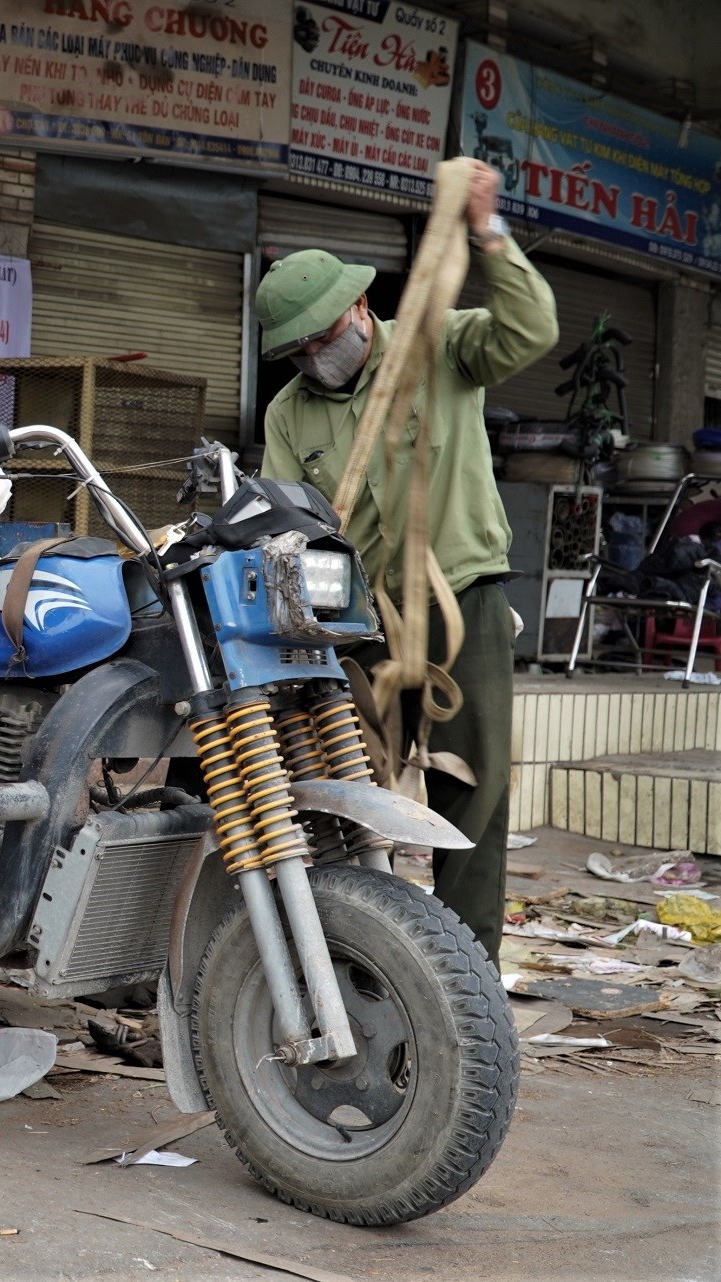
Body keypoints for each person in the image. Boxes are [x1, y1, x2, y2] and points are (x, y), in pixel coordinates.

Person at [255, 157, 558, 963]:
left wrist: (488, 233)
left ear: (359, 307)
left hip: (465, 603)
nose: (312, 360)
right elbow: (287, 520)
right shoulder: (290, 411)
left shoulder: (442, 344)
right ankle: (365, 957)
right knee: (348, 789)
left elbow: (532, 331)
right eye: (295, 352)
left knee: (473, 796)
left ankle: (467, 973)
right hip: (362, 628)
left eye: (320, 341)